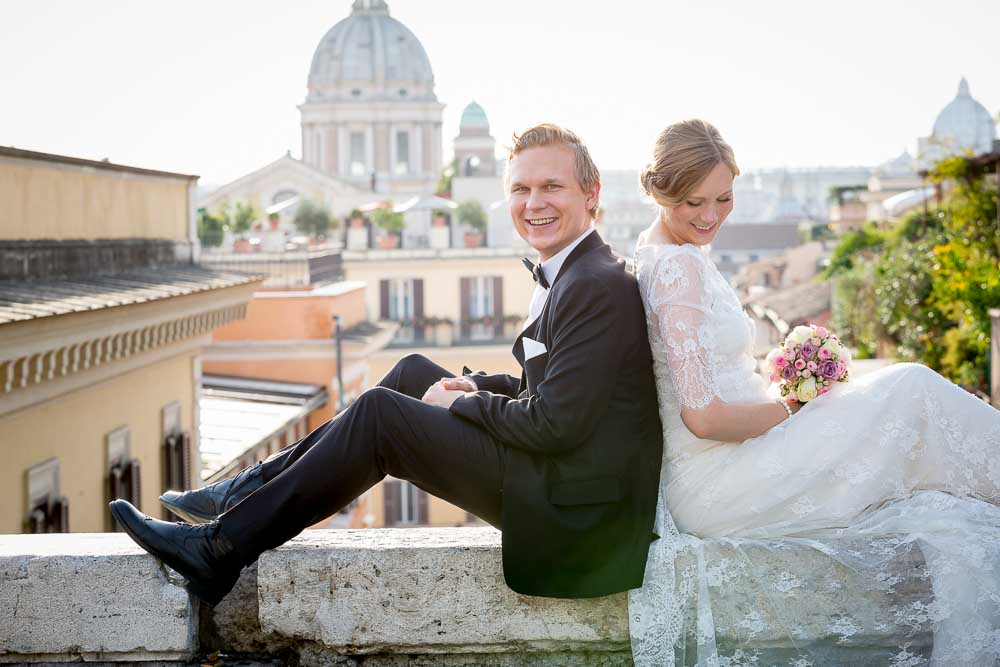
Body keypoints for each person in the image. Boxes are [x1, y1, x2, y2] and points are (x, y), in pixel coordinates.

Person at [110, 123, 663, 606]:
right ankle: (241, 493)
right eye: (521, 188)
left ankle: (220, 548)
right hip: (564, 477)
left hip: (576, 513)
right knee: (413, 371)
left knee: (380, 415)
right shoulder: (577, 270)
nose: (533, 203)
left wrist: (469, 402)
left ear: (591, 194)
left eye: (551, 187)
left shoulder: (594, 284)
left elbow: (557, 422)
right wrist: (473, 384)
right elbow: (549, 386)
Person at [627, 119, 1000, 666]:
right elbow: (703, 417)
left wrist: (791, 396)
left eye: (723, 198)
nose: (710, 216)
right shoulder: (677, 267)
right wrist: (791, 408)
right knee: (912, 387)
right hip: (720, 478)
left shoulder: (664, 250)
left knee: (900, 406)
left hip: (729, 459)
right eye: (692, 203)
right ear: (658, 192)